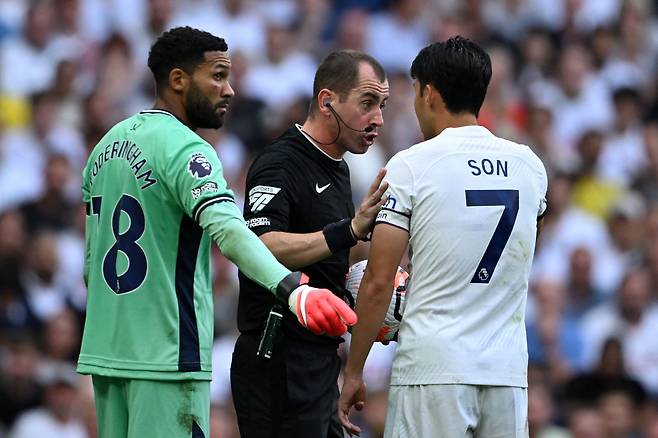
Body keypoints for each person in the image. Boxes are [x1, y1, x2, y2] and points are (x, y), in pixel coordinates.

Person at [76, 26, 357, 438]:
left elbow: (89, 263)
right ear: (178, 80)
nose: (229, 90)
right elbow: (230, 231)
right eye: (219, 75)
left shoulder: (104, 147)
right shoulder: (188, 150)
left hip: (107, 354)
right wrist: (293, 289)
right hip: (168, 358)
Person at [339, 36, 548, 437]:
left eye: (415, 92)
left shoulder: (411, 166)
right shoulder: (530, 166)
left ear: (429, 92)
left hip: (434, 369)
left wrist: (354, 371)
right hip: (505, 373)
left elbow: (380, 280)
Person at [230, 50, 390, 438]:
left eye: (382, 106)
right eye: (367, 103)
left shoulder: (337, 167)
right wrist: (349, 231)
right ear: (327, 101)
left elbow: (331, 251)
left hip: (317, 359)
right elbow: (261, 245)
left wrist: (378, 282)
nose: (378, 120)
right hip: (277, 361)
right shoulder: (279, 163)